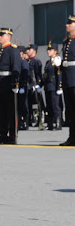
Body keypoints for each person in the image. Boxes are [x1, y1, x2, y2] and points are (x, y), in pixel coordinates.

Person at [0, 28, 21, 144]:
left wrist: (15, 83)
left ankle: (12, 136)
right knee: (0, 111)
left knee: (10, 111)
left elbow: (16, 68)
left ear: (8, 36)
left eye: (1, 35)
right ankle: (2, 135)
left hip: (8, 84)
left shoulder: (13, 50)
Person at [60, 15, 75, 146]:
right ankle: (72, 137)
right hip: (67, 79)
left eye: (70, 23)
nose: (67, 25)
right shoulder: (66, 41)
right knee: (70, 111)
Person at [42, 41, 62, 131]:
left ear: (55, 51)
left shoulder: (57, 61)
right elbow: (45, 75)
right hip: (48, 86)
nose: (48, 51)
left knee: (55, 106)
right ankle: (50, 124)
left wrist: (59, 87)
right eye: (48, 50)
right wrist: (40, 84)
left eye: (51, 50)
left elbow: (59, 75)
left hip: (54, 86)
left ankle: (58, 124)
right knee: (49, 106)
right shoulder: (47, 62)